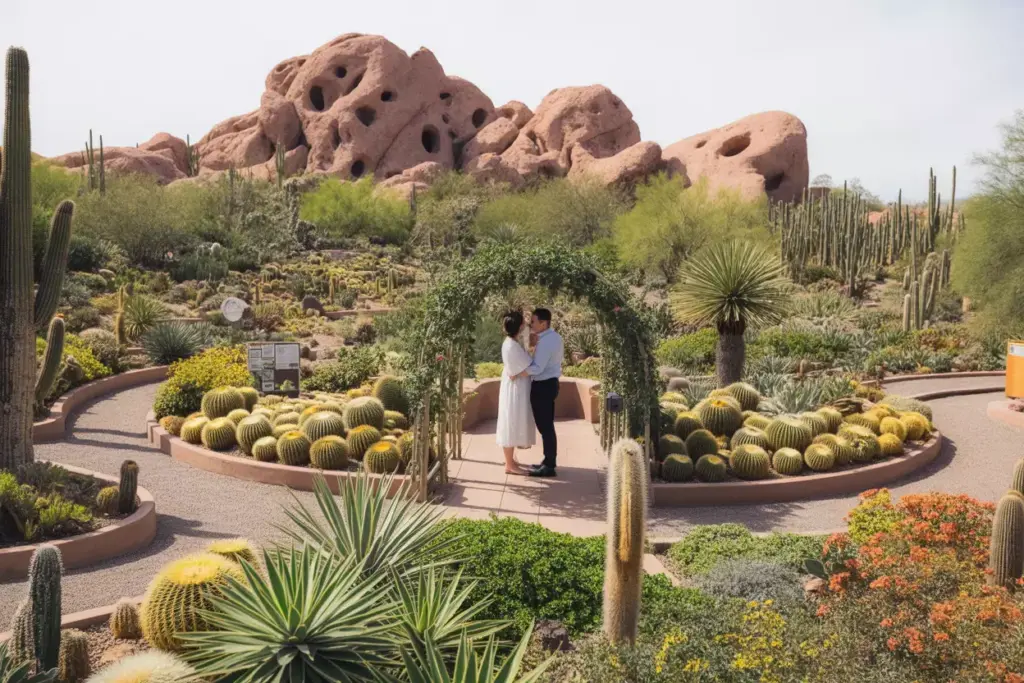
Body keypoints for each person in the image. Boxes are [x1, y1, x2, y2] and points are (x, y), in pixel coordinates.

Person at [524, 307, 563, 478]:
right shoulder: (554, 337)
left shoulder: (546, 342)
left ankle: (549, 465)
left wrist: (519, 372)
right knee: (546, 425)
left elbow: (538, 368)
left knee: (545, 426)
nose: (531, 324)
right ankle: (548, 460)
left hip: (543, 386)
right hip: (549, 384)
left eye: (533, 321)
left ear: (543, 323)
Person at [495, 310, 534, 475]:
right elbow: (529, 364)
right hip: (515, 389)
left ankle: (511, 461)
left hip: (514, 386)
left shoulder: (511, 343)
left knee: (513, 421)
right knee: (511, 422)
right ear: (519, 327)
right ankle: (509, 465)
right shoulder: (512, 346)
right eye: (523, 323)